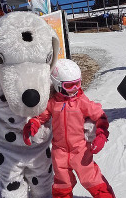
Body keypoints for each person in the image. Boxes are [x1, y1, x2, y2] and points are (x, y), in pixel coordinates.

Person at [23, 59, 115, 198]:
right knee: (62, 184)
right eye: (70, 85)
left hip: (81, 150)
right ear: (57, 84)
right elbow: (42, 117)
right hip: (59, 151)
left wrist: (101, 134)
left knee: (91, 179)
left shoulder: (82, 101)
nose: (75, 89)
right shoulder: (53, 103)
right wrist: (32, 125)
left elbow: (100, 116)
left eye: (78, 84)